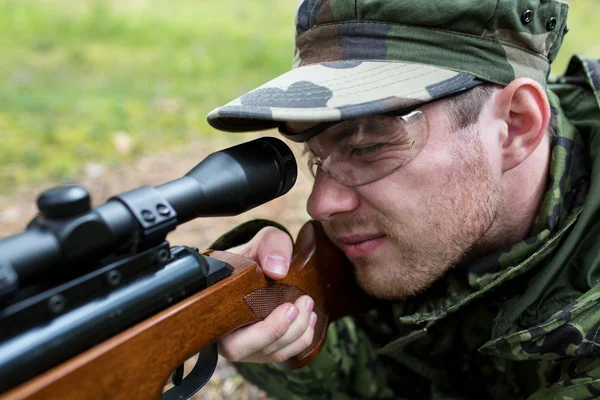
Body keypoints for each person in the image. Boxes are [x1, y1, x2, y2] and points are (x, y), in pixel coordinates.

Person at [206, 0, 600, 398]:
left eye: (368, 147)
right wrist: (294, 330)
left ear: (516, 124)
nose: (321, 204)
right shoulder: (442, 228)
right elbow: (386, 376)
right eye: (316, 156)